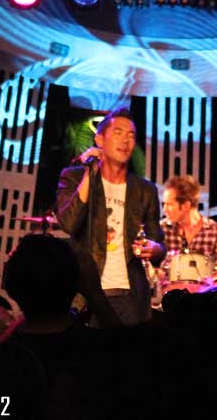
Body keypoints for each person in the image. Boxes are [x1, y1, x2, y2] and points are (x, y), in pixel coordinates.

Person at [56, 107, 165, 325]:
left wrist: (154, 249)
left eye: (131, 135)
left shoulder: (145, 190)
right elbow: (69, 223)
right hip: (85, 294)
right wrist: (90, 171)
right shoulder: (73, 177)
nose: (125, 140)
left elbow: (159, 245)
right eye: (118, 132)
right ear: (99, 139)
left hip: (130, 297)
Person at [160, 174, 217, 267]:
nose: (164, 209)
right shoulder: (162, 228)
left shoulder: (215, 230)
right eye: (164, 204)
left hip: (204, 281)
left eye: (169, 204)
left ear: (186, 205)